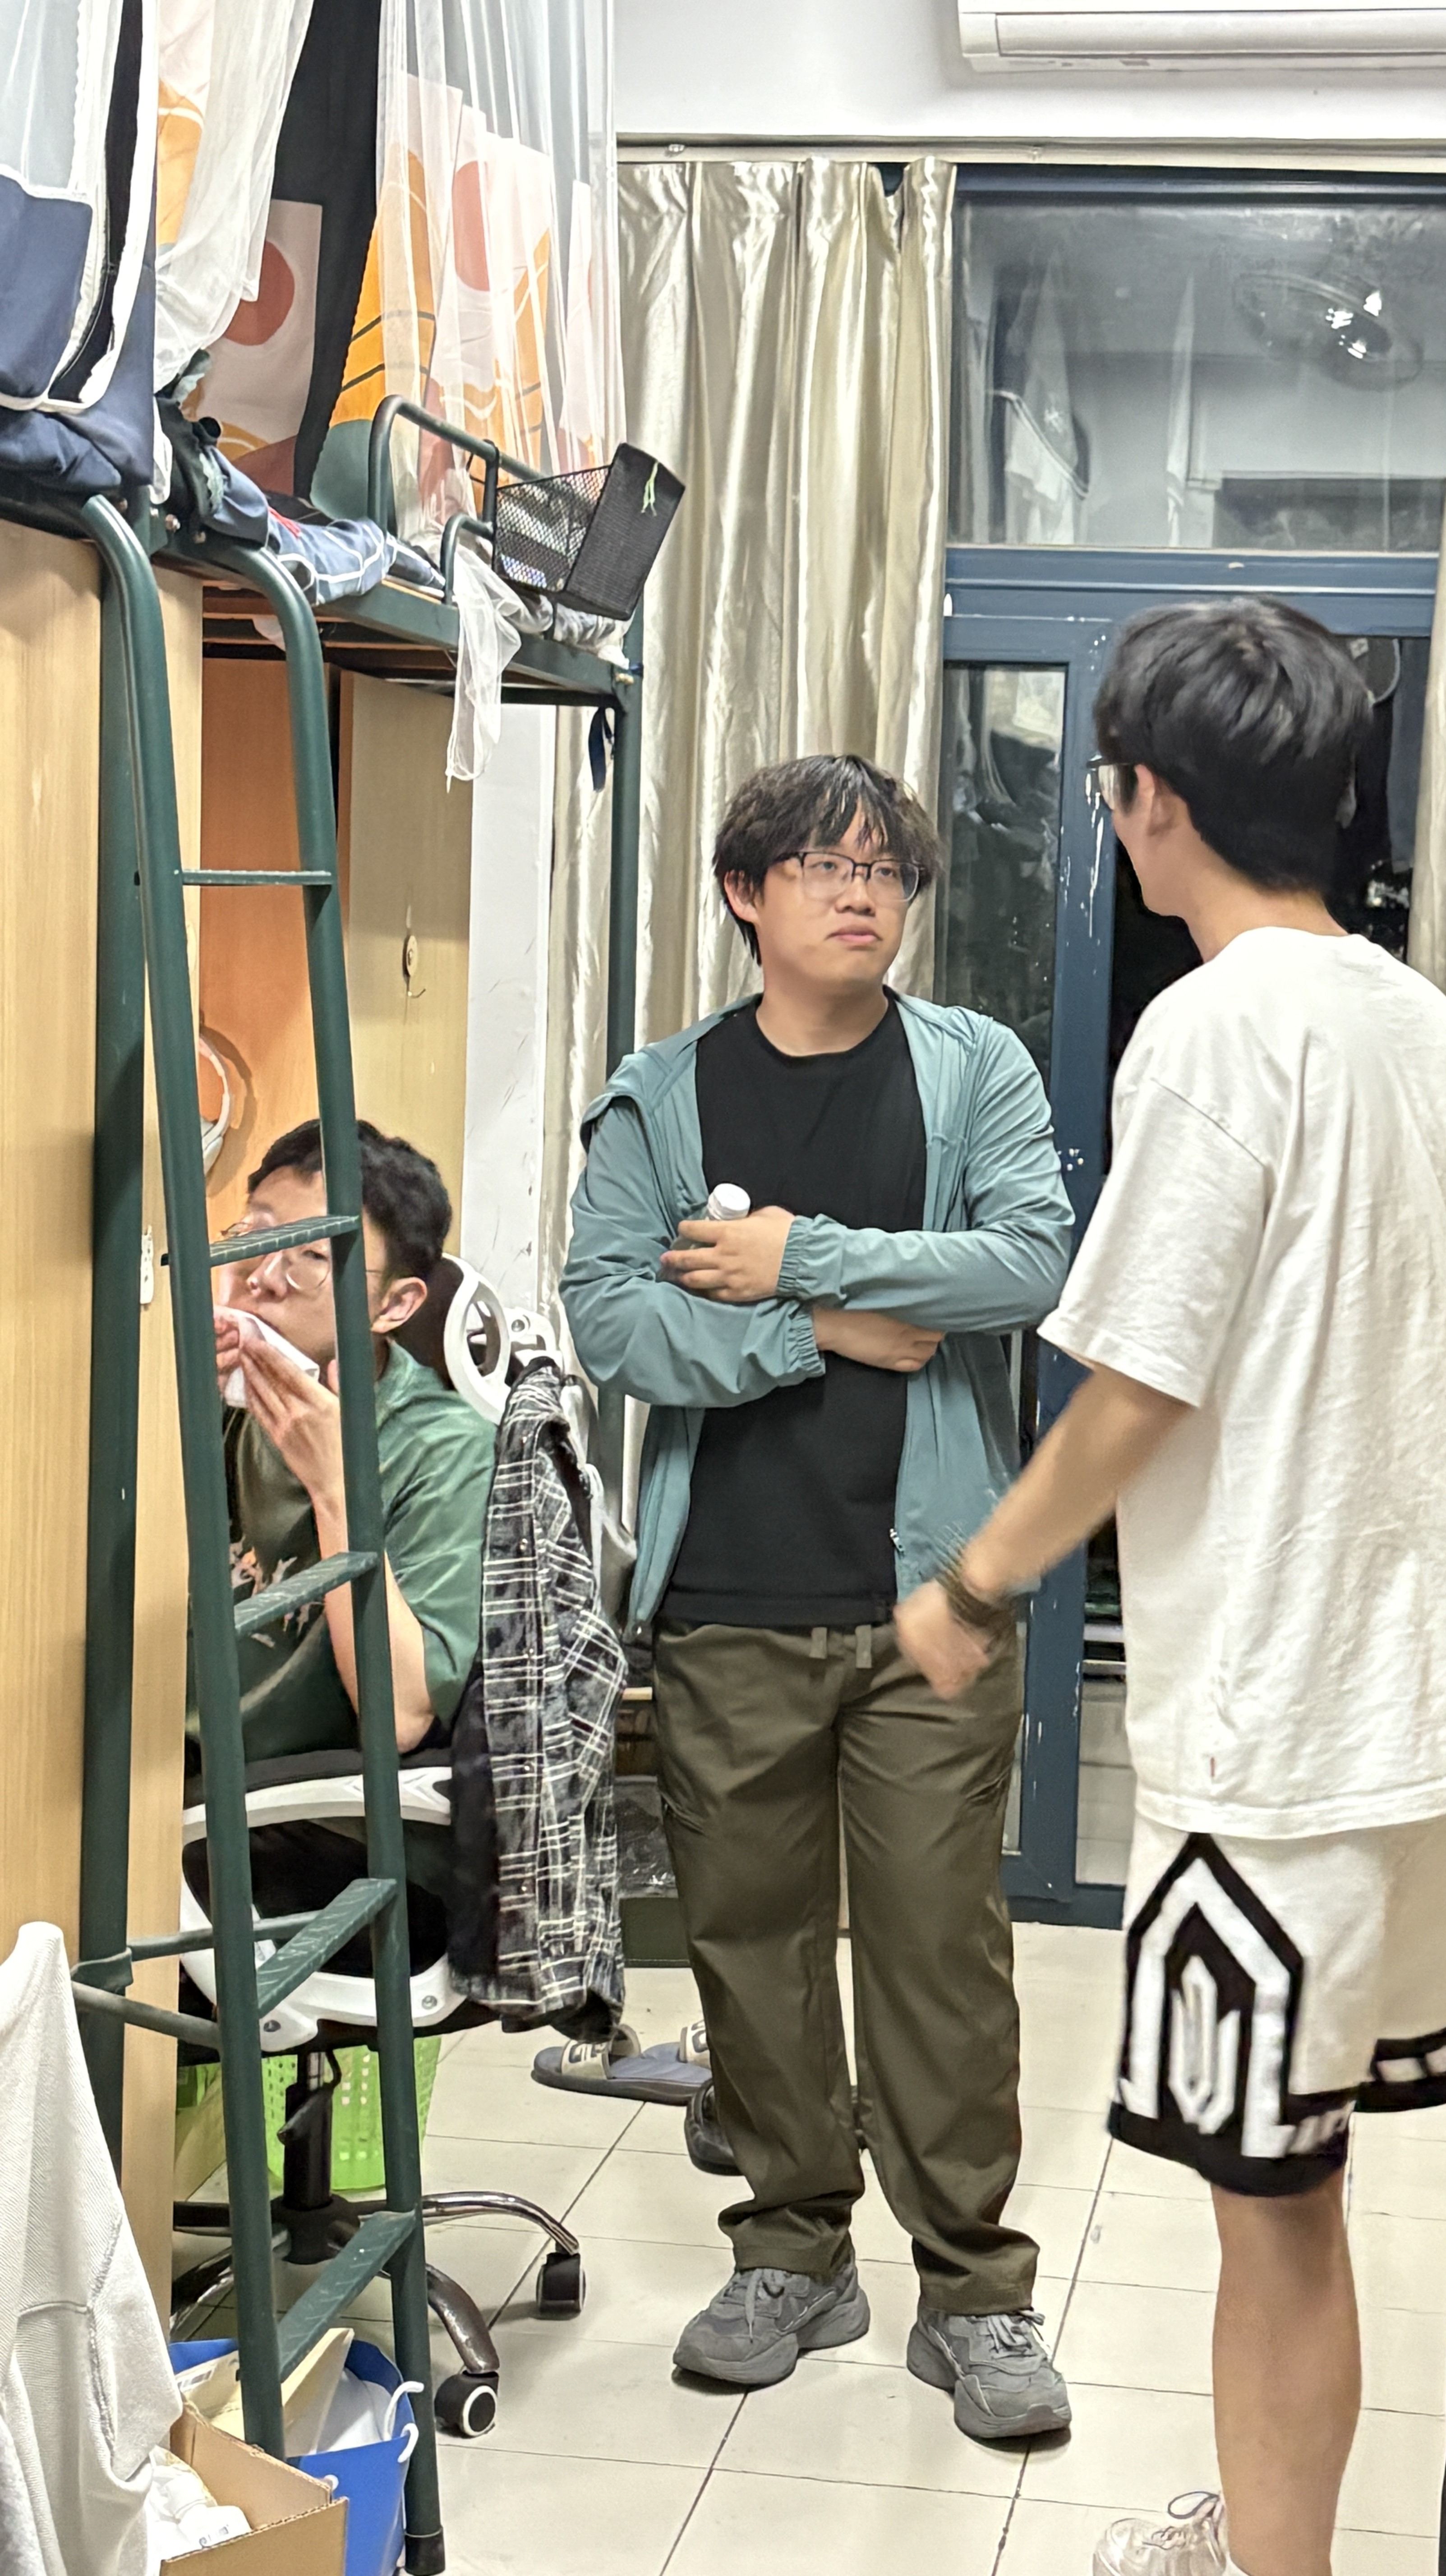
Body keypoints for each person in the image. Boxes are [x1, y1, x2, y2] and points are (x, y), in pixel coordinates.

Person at [896, 600, 1446, 2576]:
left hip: (1275, 1727)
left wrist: (977, 1579)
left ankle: (1269, 2564)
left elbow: (1138, 1380)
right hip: (1411, 1713)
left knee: (1274, 2214)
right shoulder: (1431, 1031)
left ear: (1149, 798)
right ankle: (1266, 2533)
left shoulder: (1220, 1029)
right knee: (1299, 2194)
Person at [562, 752, 1077, 2441]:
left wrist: (798, 1256)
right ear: (745, 893)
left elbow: (1029, 1265)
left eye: (886, 872)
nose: (863, 895)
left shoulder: (972, 1065)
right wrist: (820, 1330)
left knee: (939, 1954)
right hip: (728, 1597)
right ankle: (792, 2250)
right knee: (753, 1951)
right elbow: (612, 1319)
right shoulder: (663, 1094)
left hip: (930, 1598)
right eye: (823, 867)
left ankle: (975, 2292)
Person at [189, 1120, 496, 1954]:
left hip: (341, 1832)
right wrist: (170, 1399)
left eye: (309, 1258)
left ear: (394, 1306)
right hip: (189, 1783)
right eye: (254, 1236)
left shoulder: (444, 1448)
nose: (261, 1277)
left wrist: (335, 1487)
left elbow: (399, 1716)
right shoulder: (222, 1406)